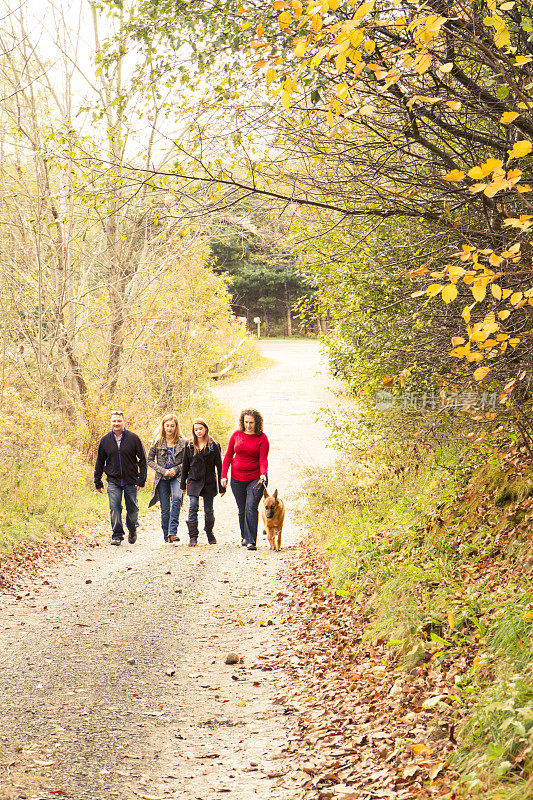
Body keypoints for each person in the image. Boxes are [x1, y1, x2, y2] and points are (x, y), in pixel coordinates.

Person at [94, 411, 147, 546]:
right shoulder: (105, 440)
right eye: (114, 421)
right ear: (110, 422)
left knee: (133, 508)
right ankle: (117, 535)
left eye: (119, 421)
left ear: (123, 421)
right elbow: (100, 461)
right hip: (113, 480)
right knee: (115, 507)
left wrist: (141, 479)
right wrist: (97, 480)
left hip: (131, 480)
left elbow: (143, 460)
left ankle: (132, 528)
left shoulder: (133, 438)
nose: (116, 423)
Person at [221, 408, 269, 551]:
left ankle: (251, 541)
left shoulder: (262, 438)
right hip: (237, 478)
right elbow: (228, 456)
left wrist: (263, 474)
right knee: (242, 509)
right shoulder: (236, 435)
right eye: (246, 422)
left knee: (251, 507)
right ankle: (244, 536)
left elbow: (263, 459)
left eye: (251, 423)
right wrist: (223, 475)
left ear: (257, 423)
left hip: (255, 478)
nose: (248, 425)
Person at [180, 418, 225, 547]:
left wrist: (222, 487)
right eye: (196, 430)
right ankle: (193, 536)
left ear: (205, 429)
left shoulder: (213, 445)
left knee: (209, 510)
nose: (198, 432)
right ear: (193, 431)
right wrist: (183, 484)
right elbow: (185, 466)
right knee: (193, 506)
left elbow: (219, 466)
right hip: (194, 480)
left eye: (200, 429)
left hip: (209, 481)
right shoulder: (189, 445)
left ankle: (209, 531)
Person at [147, 413, 187, 543]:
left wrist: (175, 470)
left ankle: (172, 532)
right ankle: (167, 536)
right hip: (162, 478)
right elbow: (150, 460)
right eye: (167, 426)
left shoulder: (183, 442)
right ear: (163, 426)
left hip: (177, 477)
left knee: (176, 498)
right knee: (165, 508)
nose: (169, 428)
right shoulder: (157, 441)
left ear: (176, 427)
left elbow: (187, 462)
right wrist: (163, 471)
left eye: (172, 426)